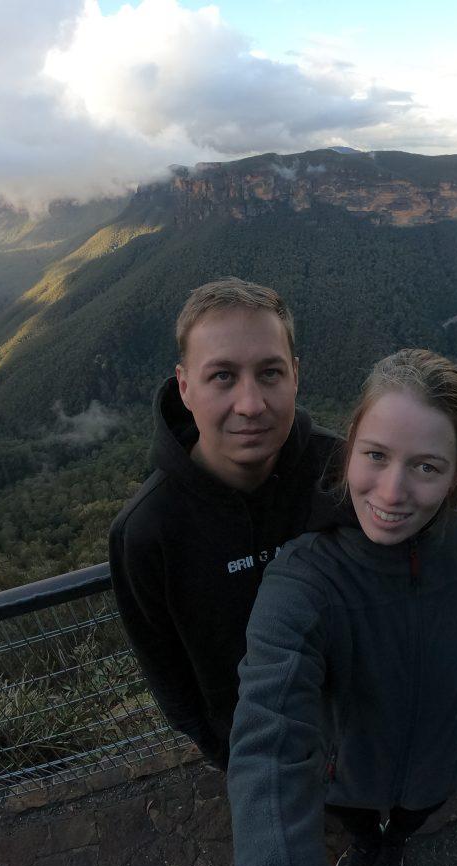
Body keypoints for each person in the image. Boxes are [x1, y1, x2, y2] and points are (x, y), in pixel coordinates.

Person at [228, 348, 457, 866]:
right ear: (350, 447)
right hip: (346, 776)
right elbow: (267, 741)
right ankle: (368, 844)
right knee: (359, 824)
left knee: (410, 820)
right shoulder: (305, 579)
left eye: (426, 466)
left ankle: (393, 843)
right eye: (376, 455)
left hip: (433, 765)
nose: (392, 493)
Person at [108, 277, 341, 769]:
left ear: (296, 375)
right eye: (222, 376)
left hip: (354, 725)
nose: (251, 404)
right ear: (185, 387)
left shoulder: (344, 474)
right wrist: (225, 750)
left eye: (270, 373)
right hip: (252, 753)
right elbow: (166, 671)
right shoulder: (148, 532)